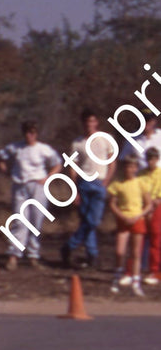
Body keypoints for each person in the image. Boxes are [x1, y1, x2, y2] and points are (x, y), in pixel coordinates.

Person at [0, 121, 62, 268]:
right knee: (20, 220)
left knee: (36, 221)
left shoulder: (43, 149)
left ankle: (33, 255)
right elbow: (0, 156)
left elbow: (57, 163)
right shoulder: (16, 147)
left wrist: (48, 177)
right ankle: (14, 255)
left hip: (38, 185)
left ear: (36, 134)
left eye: (32, 132)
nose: (29, 135)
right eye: (27, 132)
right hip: (20, 186)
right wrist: (5, 169)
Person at [62, 109, 115, 269]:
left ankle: (69, 246)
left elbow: (112, 161)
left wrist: (107, 180)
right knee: (86, 220)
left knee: (94, 220)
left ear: (96, 122)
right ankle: (92, 254)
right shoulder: (77, 143)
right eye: (86, 122)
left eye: (92, 121)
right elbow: (72, 166)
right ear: (83, 123)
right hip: (84, 182)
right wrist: (75, 188)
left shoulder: (106, 139)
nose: (89, 124)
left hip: (99, 182)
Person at [106, 154, 152, 294]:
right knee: (120, 251)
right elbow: (112, 204)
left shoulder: (141, 183)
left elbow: (148, 204)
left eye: (133, 167)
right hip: (123, 220)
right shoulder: (118, 183)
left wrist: (139, 215)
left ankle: (136, 282)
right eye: (128, 167)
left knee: (136, 253)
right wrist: (121, 215)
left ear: (136, 168)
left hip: (137, 219)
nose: (130, 169)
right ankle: (116, 279)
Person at [143, 147, 161, 286]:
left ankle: (154, 270)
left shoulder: (159, 174)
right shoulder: (141, 174)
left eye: (153, 159)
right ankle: (134, 270)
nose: (150, 161)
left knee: (156, 238)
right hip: (142, 208)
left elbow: (158, 197)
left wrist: (151, 208)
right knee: (139, 238)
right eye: (148, 158)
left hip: (156, 208)